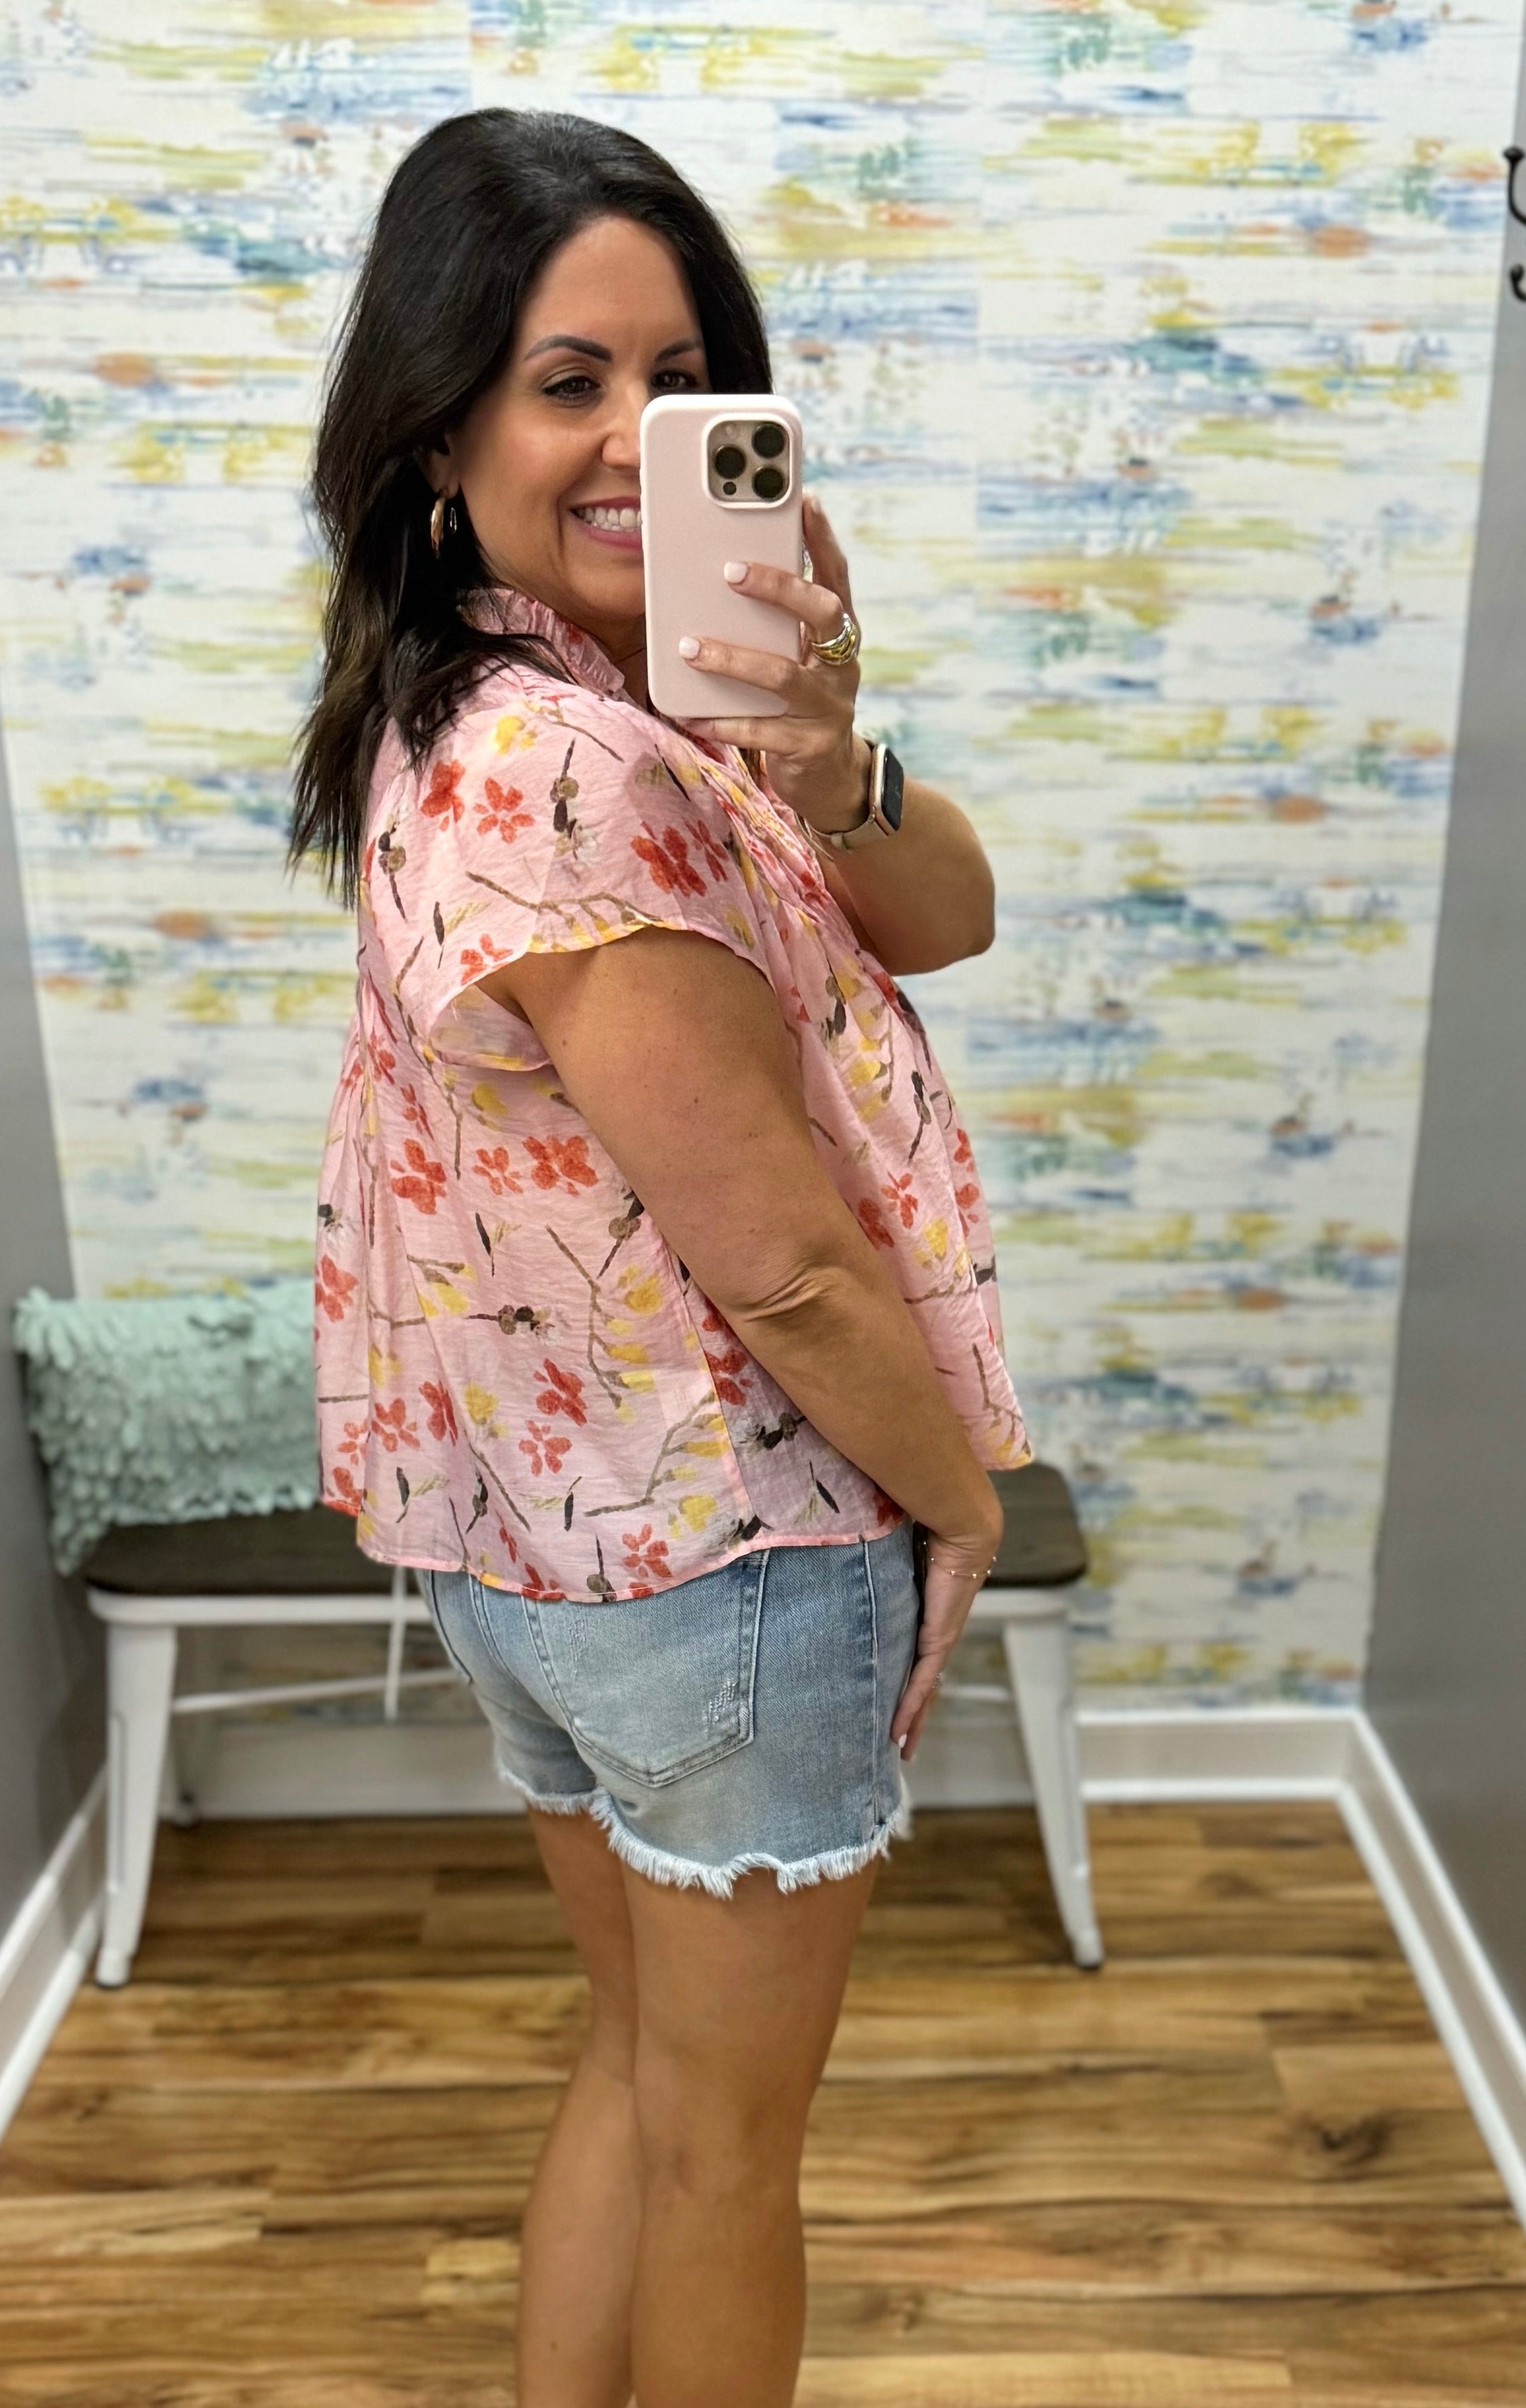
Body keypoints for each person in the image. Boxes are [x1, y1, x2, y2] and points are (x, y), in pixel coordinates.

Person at [292, 106, 1029, 2408]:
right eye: (564, 380)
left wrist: (817, 750)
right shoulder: (581, 775)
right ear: (437, 438)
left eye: (680, 374)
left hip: (545, 1551)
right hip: (728, 1547)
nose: (634, 439)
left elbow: (960, 911)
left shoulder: (514, 723)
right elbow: (789, 1266)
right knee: (731, 2156)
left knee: (637, 2074)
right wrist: (970, 1497)